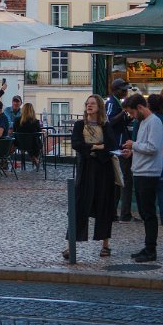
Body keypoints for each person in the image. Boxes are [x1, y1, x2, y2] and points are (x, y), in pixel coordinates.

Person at [67, 94, 118, 259]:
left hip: (103, 170)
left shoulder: (105, 125)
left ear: (99, 107)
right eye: (87, 103)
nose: (89, 106)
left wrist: (92, 148)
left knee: (104, 206)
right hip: (86, 169)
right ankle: (70, 245)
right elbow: (76, 144)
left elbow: (111, 145)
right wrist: (97, 147)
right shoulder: (79, 125)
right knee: (79, 206)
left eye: (93, 104)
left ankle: (105, 245)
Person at [121, 94, 163, 263]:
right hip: (140, 171)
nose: (132, 117)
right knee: (144, 211)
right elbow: (145, 147)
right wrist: (132, 152)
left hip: (148, 173)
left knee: (148, 212)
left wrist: (134, 145)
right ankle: (147, 246)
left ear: (140, 107)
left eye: (132, 113)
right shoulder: (143, 122)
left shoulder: (154, 122)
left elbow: (153, 148)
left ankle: (151, 249)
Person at [106, 78, 134, 222]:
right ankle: (124, 213)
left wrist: (129, 117)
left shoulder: (116, 102)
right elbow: (109, 121)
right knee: (125, 180)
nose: (125, 92)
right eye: (123, 90)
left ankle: (114, 212)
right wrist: (124, 112)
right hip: (118, 147)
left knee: (119, 181)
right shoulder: (112, 103)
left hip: (120, 145)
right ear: (116, 90)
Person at [147, 94, 163, 227]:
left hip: (147, 158)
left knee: (148, 190)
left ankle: (149, 216)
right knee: (160, 189)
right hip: (160, 157)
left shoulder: (146, 119)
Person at [14, 101, 42, 168]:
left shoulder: (17, 120)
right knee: (36, 141)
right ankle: (35, 157)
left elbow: (15, 131)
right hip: (33, 145)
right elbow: (39, 133)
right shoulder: (35, 121)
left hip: (20, 144)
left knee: (28, 142)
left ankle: (34, 158)